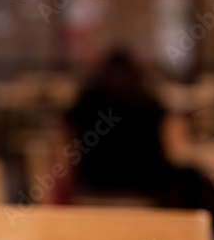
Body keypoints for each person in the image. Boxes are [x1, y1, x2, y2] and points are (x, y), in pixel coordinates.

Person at [65, 48, 191, 206]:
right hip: (146, 186)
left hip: (94, 183)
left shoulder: (87, 101)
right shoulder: (150, 103)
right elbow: (174, 148)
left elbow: (66, 146)